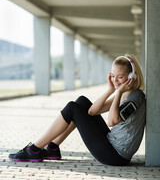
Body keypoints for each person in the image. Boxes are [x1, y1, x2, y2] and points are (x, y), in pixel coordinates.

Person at [9, 54, 146, 166]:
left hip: (116, 156)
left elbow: (111, 121)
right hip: (112, 146)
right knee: (82, 102)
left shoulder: (135, 97)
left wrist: (119, 92)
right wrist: (110, 90)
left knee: (72, 108)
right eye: (113, 76)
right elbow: (92, 111)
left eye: (120, 77)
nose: (115, 80)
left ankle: (33, 150)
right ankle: (52, 148)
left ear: (131, 77)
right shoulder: (126, 94)